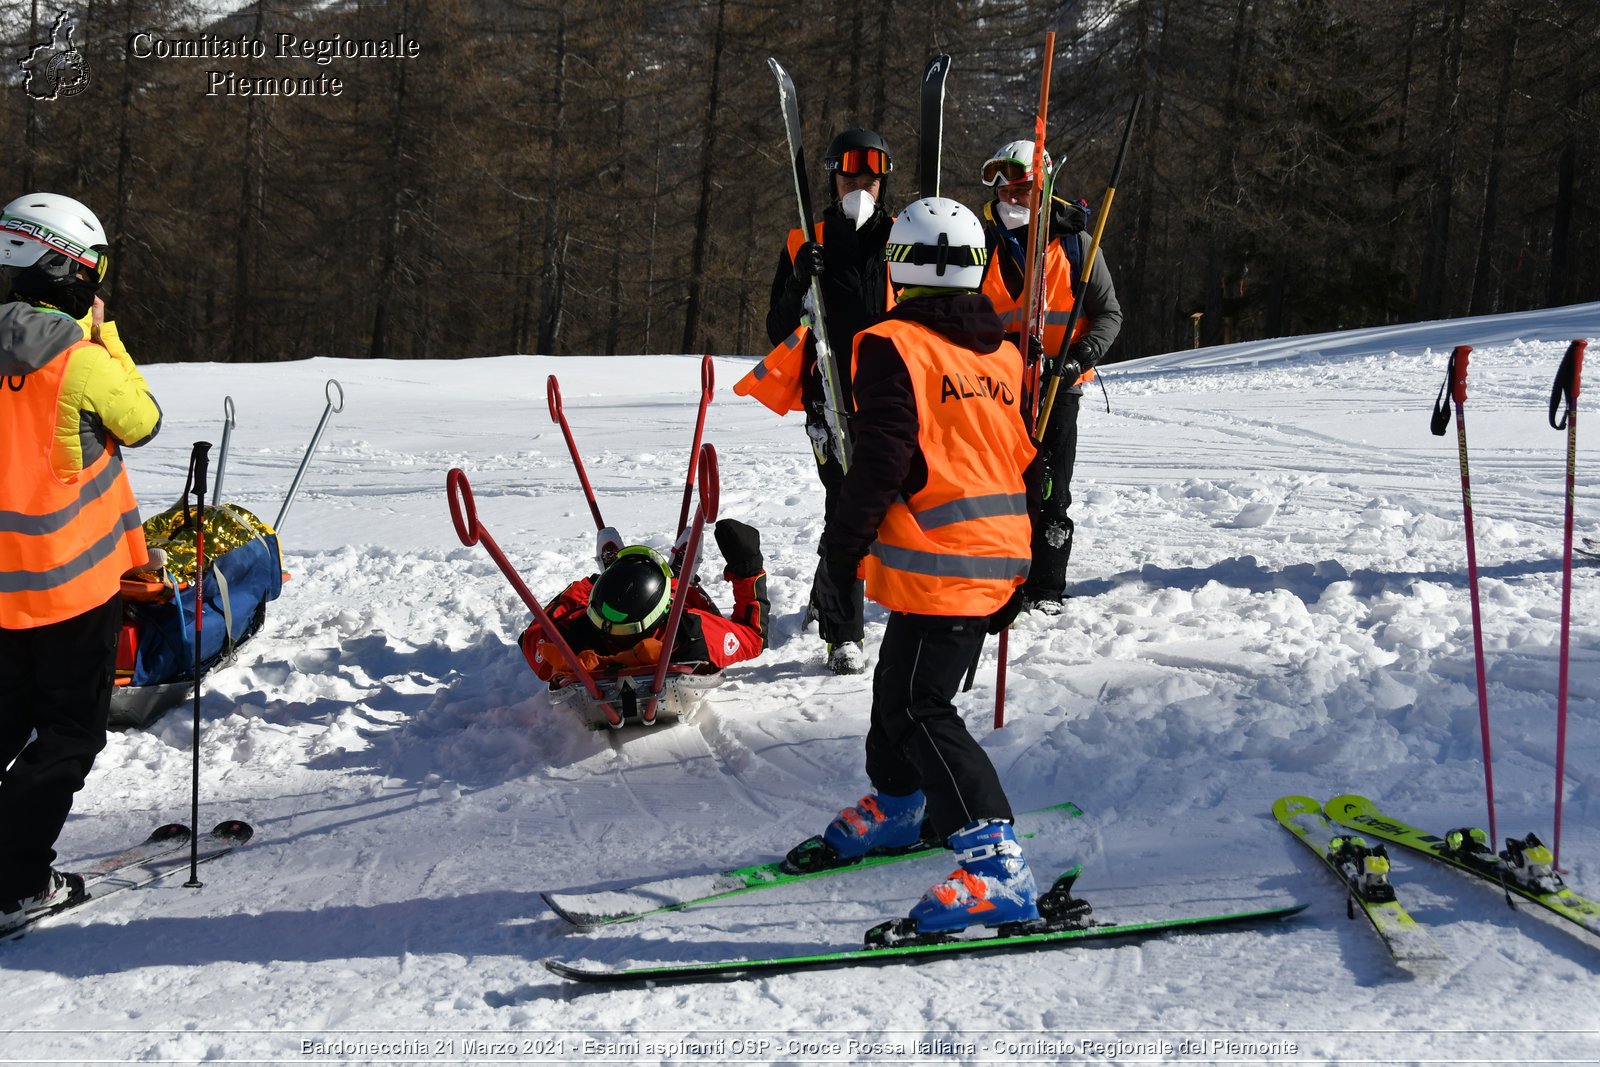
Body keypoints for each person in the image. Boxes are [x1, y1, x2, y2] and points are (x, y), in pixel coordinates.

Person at [796, 196, 1042, 935]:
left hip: (948, 555)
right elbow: (1022, 455)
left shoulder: (891, 343)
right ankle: (901, 805)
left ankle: (997, 864)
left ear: (899, 267)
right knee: (897, 682)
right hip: (992, 550)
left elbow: (881, 460)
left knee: (916, 705)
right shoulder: (1001, 351)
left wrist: (841, 551)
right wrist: (1019, 567)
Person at [0, 192, 162, 930]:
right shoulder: (81, 358)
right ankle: (17, 883)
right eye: (93, 268)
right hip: (69, 590)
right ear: (62, 266)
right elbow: (144, 419)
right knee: (66, 734)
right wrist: (109, 335)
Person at [744, 128, 898, 676]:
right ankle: (842, 633)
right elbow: (777, 326)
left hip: (892, 393)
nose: (862, 185)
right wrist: (799, 281)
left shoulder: (905, 236)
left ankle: (827, 591)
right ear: (833, 179)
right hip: (828, 398)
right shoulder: (802, 240)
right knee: (845, 505)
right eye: (851, 176)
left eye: (871, 177)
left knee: (890, 506)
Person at [979, 140, 1123, 613]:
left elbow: (1109, 314)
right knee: (998, 486)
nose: (1011, 200)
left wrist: (1079, 358)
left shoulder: (1079, 243)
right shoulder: (977, 242)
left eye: (1021, 190)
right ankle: (1000, 581)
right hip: (994, 388)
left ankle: (1045, 587)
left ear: (1043, 191)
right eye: (1004, 191)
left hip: (1060, 387)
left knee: (1051, 488)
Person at [521, 519, 769, 684]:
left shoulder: (567, 644)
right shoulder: (692, 635)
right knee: (685, 599)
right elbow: (753, 636)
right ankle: (680, 579)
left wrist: (592, 583)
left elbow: (533, 634)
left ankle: (619, 572)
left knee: (567, 612)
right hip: (670, 648)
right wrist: (748, 567)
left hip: (594, 647)